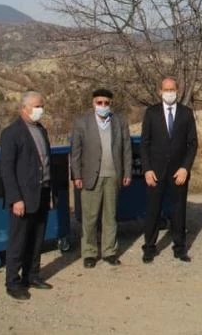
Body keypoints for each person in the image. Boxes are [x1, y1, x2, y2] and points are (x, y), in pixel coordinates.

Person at [0, 91, 54, 300]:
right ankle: (12, 282)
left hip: (42, 191)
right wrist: (16, 199)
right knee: (18, 240)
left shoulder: (41, 130)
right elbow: (7, 170)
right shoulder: (11, 133)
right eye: (38, 106)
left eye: (42, 106)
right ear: (25, 108)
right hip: (23, 197)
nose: (42, 110)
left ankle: (32, 275)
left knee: (37, 237)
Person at [70, 88, 133, 269]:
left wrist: (127, 172)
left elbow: (126, 149)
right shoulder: (82, 122)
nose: (103, 106)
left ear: (111, 104)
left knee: (110, 216)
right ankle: (89, 253)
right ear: (93, 103)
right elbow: (75, 152)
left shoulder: (119, 121)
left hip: (113, 174)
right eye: (99, 103)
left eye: (106, 103)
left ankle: (109, 252)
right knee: (90, 217)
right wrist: (77, 175)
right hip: (91, 176)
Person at [140, 77, 198, 263]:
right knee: (153, 210)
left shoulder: (186, 113)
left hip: (178, 172)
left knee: (178, 210)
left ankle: (180, 247)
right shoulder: (151, 113)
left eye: (172, 89)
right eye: (166, 89)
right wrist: (147, 169)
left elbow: (192, 144)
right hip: (155, 172)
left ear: (178, 90)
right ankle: (149, 247)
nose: (170, 92)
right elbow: (145, 144)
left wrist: (185, 168)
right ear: (160, 91)